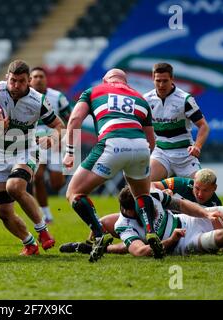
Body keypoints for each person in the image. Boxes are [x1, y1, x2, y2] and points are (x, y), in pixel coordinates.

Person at [0, 60, 64, 256]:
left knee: (15, 187)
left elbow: (59, 126)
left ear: (28, 82)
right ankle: (29, 243)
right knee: (3, 212)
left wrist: (52, 137)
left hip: (26, 150)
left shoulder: (39, 101)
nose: (16, 85)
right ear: (6, 78)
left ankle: (42, 230)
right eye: (12, 81)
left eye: (21, 81)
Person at [63, 68, 164, 262]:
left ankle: (100, 234)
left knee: (74, 193)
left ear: (105, 80)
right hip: (140, 146)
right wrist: (137, 160)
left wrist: (69, 152)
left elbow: (75, 119)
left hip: (112, 143)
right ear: (126, 82)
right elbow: (152, 141)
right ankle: (151, 232)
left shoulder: (94, 91)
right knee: (142, 194)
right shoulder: (140, 98)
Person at [114, 185, 223, 257]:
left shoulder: (149, 195)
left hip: (188, 221)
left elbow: (180, 205)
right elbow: (140, 252)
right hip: (182, 243)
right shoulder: (124, 226)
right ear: (131, 211)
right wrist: (171, 240)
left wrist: (205, 214)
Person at [144, 62, 210, 181]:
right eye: (158, 80)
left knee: (201, 186)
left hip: (185, 155)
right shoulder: (146, 100)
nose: (161, 84)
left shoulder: (185, 99)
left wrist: (197, 146)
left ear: (172, 79)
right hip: (161, 154)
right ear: (153, 78)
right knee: (146, 186)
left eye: (165, 81)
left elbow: (203, 126)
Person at [29, 67, 72, 224]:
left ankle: (50, 174)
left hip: (55, 143)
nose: (38, 79)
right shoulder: (25, 97)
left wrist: (65, 139)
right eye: (35, 76)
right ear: (30, 80)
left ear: (46, 79)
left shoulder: (57, 97)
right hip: (35, 143)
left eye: (41, 76)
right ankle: (45, 214)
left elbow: (71, 118)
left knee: (57, 184)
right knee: (37, 177)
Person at [152, 168, 222, 207]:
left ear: (214, 188)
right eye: (197, 188)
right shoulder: (178, 183)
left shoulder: (216, 205)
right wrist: (161, 193)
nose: (200, 194)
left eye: (205, 190)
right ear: (193, 182)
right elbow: (151, 185)